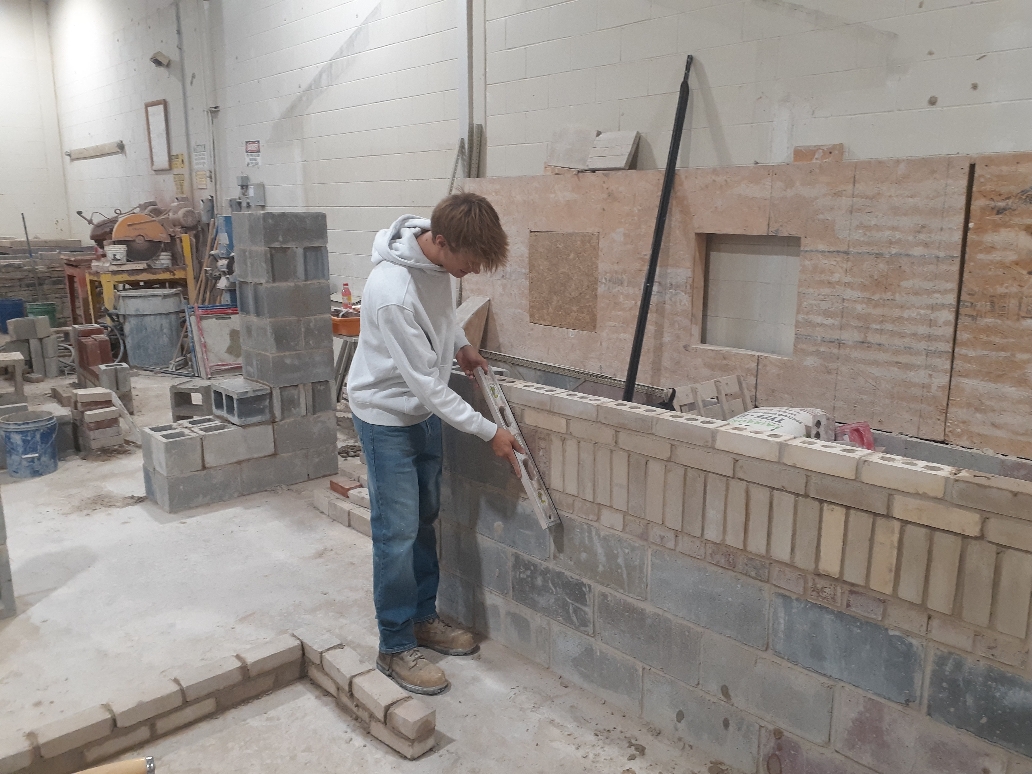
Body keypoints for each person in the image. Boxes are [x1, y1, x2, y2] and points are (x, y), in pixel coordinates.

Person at [346, 192, 522, 695]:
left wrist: (462, 345)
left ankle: (423, 618)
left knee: (424, 519)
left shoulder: (439, 260)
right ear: (440, 242)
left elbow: (442, 317)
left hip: (421, 415)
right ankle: (395, 644)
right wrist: (490, 432)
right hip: (386, 418)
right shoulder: (391, 292)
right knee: (396, 533)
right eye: (469, 262)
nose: (471, 271)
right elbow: (428, 385)